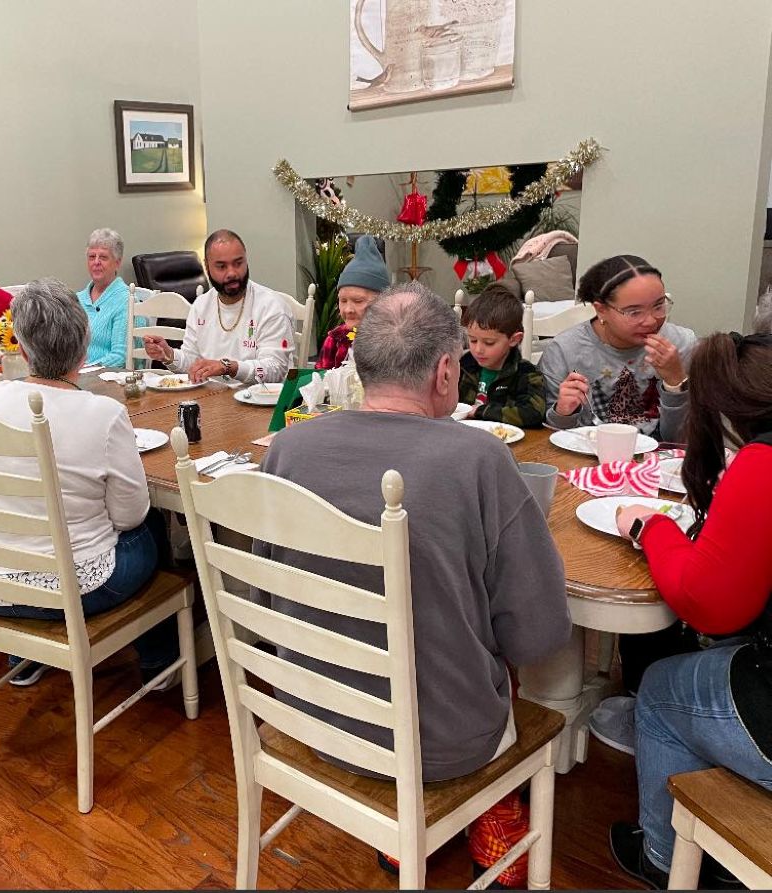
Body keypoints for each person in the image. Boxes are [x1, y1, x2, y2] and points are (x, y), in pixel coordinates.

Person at [251, 281, 571, 884]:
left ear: (357, 364)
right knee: (498, 641)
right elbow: (539, 634)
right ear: (447, 371)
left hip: (312, 715)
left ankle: (414, 833)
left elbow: (267, 600)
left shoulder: (287, 449)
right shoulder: (479, 460)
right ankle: (486, 808)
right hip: (442, 744)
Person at [607, 331, 772, 890]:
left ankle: (663, 854)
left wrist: (649, 526)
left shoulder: (761, 463)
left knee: (658, 689)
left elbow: (707, 606)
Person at [0, 278, 178, 687]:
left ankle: (24, 656)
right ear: (84, 346)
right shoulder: (102, 413)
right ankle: (159, 660)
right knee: (150, 525)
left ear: (23, 349)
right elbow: (131, 515)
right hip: (76, 591)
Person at [539, 254, 697, 441]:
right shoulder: (564, 351)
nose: (651, 321)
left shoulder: (682, 344)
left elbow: (683, 441)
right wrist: (563, 412)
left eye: (658, 305)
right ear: (601, 310)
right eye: (634, 312)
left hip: (658, 464)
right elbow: (550, 441)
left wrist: (675, 383)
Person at [142, 229, 294, 383]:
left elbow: (275, 370)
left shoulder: (272, 307)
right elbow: (193, 363)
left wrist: (229, 367)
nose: (232, 273)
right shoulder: (201, 305)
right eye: (221, 266)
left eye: (238, 263)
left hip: (262, 401)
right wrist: (168, 355)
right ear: (207, 267)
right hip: (212, 399)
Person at [458, 284, 546, 428]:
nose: (478, 349)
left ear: (514, 339)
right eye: (473, 340)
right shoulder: (463, 365)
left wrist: (480, 411)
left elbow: (533, 414)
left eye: (489, 343)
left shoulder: (525, 373)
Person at [315, 235, 389, 370]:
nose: (348, 309)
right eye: (343, 301)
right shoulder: (335, 339)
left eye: (358, 301)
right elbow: (319, 380)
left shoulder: (396, 341)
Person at [75, 227, 131, 368]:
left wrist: (86, 369)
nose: (96, 262)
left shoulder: (126, 301)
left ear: (117, 262)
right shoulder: (77, 299)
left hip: (108, 380)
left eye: (103, 257)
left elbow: (121, 356)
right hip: (75, 376)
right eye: (92, 257)